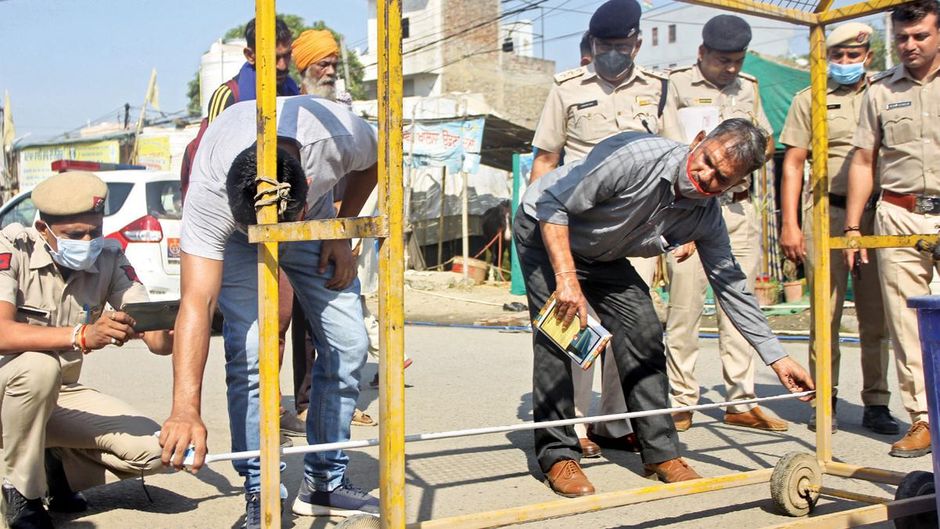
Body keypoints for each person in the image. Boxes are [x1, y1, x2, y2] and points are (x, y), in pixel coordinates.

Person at [514, 118, 815, 497]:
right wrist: (567, 278)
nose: (705, 177)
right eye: (706, 160)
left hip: (603, 253)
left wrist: (778, 358)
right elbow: (553, 204)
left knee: (643, 328)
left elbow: (732, 287)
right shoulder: (636, 157)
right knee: (562, 334)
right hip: (545, 228)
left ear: (736, 184)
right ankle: (558, 454)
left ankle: (660, 451)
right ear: (699, 139)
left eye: (721, 179)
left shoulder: (705, 216)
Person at [159, 95, 380, 527]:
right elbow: (196, 302)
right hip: (239, 236)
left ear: (309, 184)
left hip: (313, 222)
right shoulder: (209, 195)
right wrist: (185, 406)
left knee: (350, 343)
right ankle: (261, 491)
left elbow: (378, 160)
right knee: (250, 350)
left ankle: (323, 483)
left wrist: (341, 225)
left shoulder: (339, 135)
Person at [0, 171, 173, 529]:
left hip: (60, 393)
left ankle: (52, 465)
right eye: (75, 235)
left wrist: (177, 322)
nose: (88, 241)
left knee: (157, 451)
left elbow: (158, 339)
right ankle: (19, 491)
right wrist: (80, 335)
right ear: (43, 228)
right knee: (38, 368)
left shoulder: (109, 256)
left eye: (95, 231)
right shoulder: (11, 249)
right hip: (10, 389)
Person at [530, 0, 665, 458]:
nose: (613, 52)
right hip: (574, 224)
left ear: (637, 44)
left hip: (634, 229)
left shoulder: (660, 90)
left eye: (621, 44)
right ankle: (577, 425)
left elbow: (673, 160)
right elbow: (546, 160)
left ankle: (613, 421)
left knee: (633, 331)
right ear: (591, 45)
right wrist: (532, 221)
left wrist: (674, 236)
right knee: (575, 327)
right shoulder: (567, 88)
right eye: (604, 45)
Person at [660, 15, 784, 433]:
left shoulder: (747, 87)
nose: (729, 68)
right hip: (689, 211)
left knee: (740, 305)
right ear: (702, 53)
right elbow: (671, 147)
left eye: (736, 60)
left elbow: (764, 142)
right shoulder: (675, 85)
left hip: (736, 210)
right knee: (685, 310)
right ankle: (681, 400)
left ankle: (741, 400)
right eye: (722, 60)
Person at [778, 22, 895, 434]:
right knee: (823, 315)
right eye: (837, 56)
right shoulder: (810, 98)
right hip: (826, 212)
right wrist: (789, 223)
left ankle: (877, 401)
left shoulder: (885, 93)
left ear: (868, 56)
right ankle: (823, 398)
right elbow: (793, 163)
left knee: (875, 315)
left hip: (876, 215)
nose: (844, 63)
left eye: (853, 56)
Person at [844, 0, 940, 458]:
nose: (910, 45)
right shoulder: (879, 91)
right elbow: (864, 161)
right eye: (902, 37)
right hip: (897, 215)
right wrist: (853, 228)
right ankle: (923, 417)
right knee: (907, 323)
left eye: (920, 35)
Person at [287, 29, 381, 428]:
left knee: (336, 328)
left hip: (336, 224)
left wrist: (343, 228)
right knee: (276, 324)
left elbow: (368, 167)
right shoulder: (288, 109)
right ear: (302, 67)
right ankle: (293, 404)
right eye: (320, 64)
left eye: (332, 64)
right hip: (287, 226)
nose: (328, 71)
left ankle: (321, 410)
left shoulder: (345, 110)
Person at [205, 17, 300, 123]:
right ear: (250, 56)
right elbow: (214, 139)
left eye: (287, 55)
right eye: (273, 58)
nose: (282, 66)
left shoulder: (293, 92)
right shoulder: (228, 95)